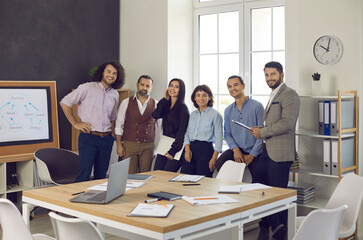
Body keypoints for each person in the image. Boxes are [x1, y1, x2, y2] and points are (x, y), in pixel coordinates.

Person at [250, 61, 300, 240]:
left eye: (273, 74)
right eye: (266, 75)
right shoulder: (273, 94)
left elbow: (287, 123)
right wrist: (260, 129)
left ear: (281, 75)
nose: (269, 78)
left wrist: (262, 132)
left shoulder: (289, 94)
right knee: (258, 188)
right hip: (266, 150)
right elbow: (273, 122)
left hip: (280, 153)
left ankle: (281, 231)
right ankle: (271, 224)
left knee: (278, 192)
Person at [60, 61, 125, 182]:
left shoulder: (115, 94)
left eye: (115, 73)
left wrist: (112, 137)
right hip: (89, 138)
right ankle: (78, 200)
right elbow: (65, 102)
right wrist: (75, 123)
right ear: (102, 72)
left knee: (101, 177)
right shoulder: (87, 87)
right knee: (83, 176)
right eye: (108, 71)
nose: (111, 75)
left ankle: (97, 200)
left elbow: (112, 118)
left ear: (117, 77)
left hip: (106, 140)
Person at [214, 75, 264, 183]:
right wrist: (235, 150)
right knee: (219, 163)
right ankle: (230, 190)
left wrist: (252, 155)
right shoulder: (228, 110)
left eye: (235, 85)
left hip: (255, 150)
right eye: (229, 86)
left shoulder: (257, 106)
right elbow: (227, 134)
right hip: (237, 149)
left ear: (243, 86)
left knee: (259, 177)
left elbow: (262, 134)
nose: (233, 88)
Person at [115, 75, 161, 173]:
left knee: (145, 176)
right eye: (142, 85)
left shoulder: (157, 104)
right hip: (129, 145)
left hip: (148, 146)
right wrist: (119, 145)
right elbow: (119, 126)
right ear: (137, 85)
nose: (144, 88)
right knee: (129, 176)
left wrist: (159, 149)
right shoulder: (126, 102)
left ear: (151, 88)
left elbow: (161, 129)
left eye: (148, 86)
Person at [180, 85, 223, 177]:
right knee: (184, 179)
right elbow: (187, 134)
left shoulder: (215, 115)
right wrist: (187, 150)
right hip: (190, 149)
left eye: (204, 95)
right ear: (194, 98)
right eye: (198, 95)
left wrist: (214, 158)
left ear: (210, 97)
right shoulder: (193, 114)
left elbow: (219, 138)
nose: (201, 98)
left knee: (203, 182)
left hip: (205, 150)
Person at [152, 78, 189, 172]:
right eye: (171, 85)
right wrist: (165, 99)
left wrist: (173, 151)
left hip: (176, 147)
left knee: (166, 176)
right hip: (164, 144)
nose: (173, 88)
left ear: (181, 90)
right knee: (156, 174)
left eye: (176, 87)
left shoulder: (183, 108)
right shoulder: (166, 105)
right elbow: (155, 115)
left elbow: (182, 132)